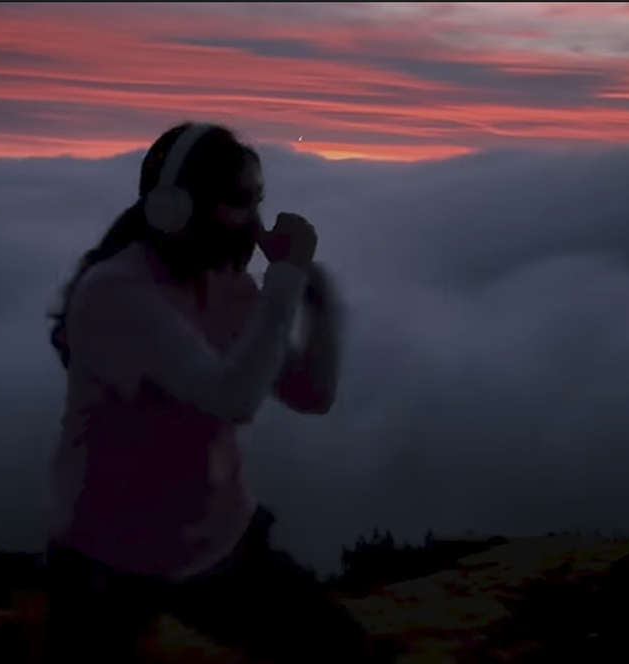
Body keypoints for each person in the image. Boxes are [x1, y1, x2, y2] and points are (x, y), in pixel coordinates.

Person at [43, 122, 401, 663]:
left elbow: (309, 394)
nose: (254, 221)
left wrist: (320, 305)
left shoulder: (222, 283)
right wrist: (282, 283)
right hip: (106, 555)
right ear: (175, 208)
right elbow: (231, 398)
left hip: (214, 540)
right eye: (239, 201)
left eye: (256, 200)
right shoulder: (115, 292)